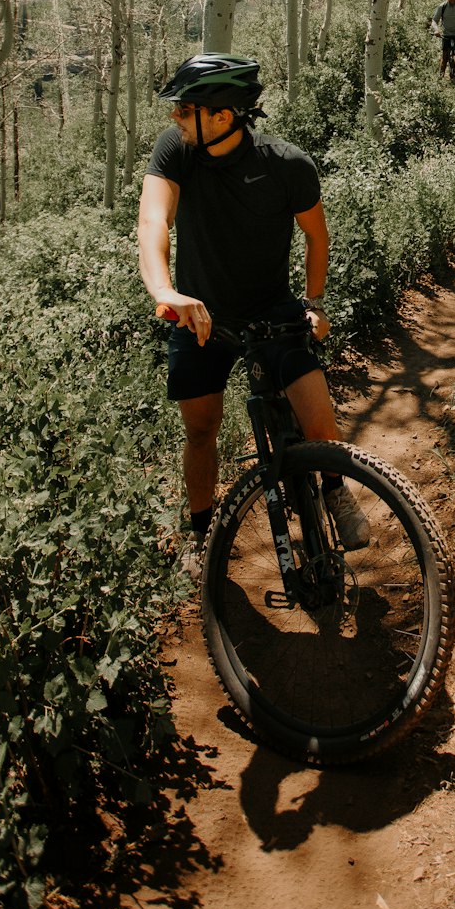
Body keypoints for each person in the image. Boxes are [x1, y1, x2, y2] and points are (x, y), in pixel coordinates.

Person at [137, 52, 370, 553]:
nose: (175, 117)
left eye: (184, 108)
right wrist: (165, 291)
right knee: (201, 430)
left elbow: (317, 238)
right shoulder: (175, 150)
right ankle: (201, 537)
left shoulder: (286, 165)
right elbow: (154, 221)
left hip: (272, 309)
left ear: (222, 116)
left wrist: (315, 302)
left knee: (316, 412)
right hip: (198, 315)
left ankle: (334, 490)